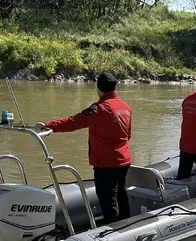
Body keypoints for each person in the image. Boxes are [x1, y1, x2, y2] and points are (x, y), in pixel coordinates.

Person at [34, 73, 133, 224]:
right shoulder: (126, 108)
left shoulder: (98, 109)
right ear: (114, 87)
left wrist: (48, 125)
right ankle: (128, 224)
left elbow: (73, 122)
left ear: (98, 87)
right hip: (124, 161)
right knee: (121, 194)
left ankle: (114, 228)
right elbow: (128, 135)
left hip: (106, 164)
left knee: (108, 200)